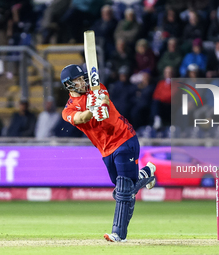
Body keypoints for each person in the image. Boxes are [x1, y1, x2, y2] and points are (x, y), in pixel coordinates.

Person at [60, 64, 156, 242]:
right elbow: (82, 118)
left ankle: (118, 234)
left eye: (83, 78)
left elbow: (104, 99)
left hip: (124, 139)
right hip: (105, 150)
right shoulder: (68, 110)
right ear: (68, 85)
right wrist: (91, 110)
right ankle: (147, 173)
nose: (83, 82)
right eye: (78, 80)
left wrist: (99, 103)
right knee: (121, 189)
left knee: (124, 190)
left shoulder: (96, 88)